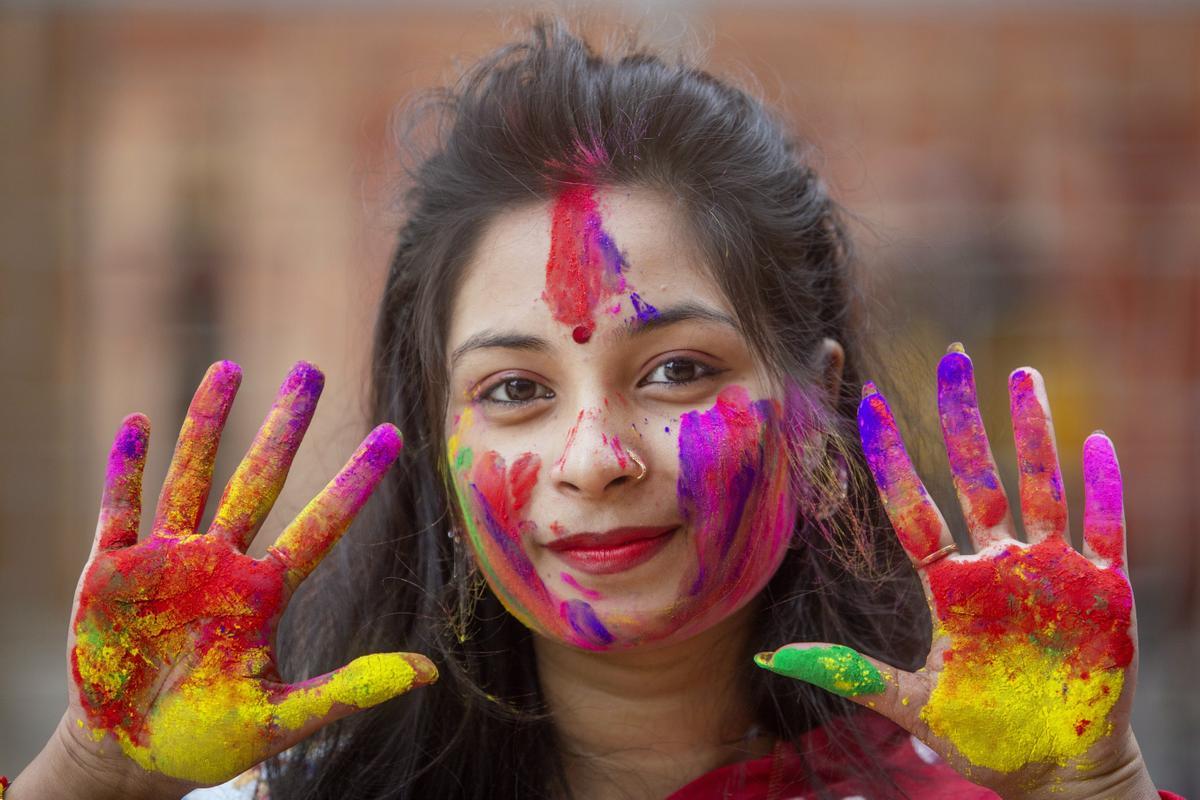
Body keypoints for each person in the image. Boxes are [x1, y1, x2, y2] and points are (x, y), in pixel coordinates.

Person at [4, 16, 1184, 800]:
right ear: (439, 448)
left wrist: (1096, 787)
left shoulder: (982, 784)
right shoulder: (266, 789)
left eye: (677, 369)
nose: (596, 455)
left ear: (817, 409)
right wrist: (94, 770)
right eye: (514, 389)